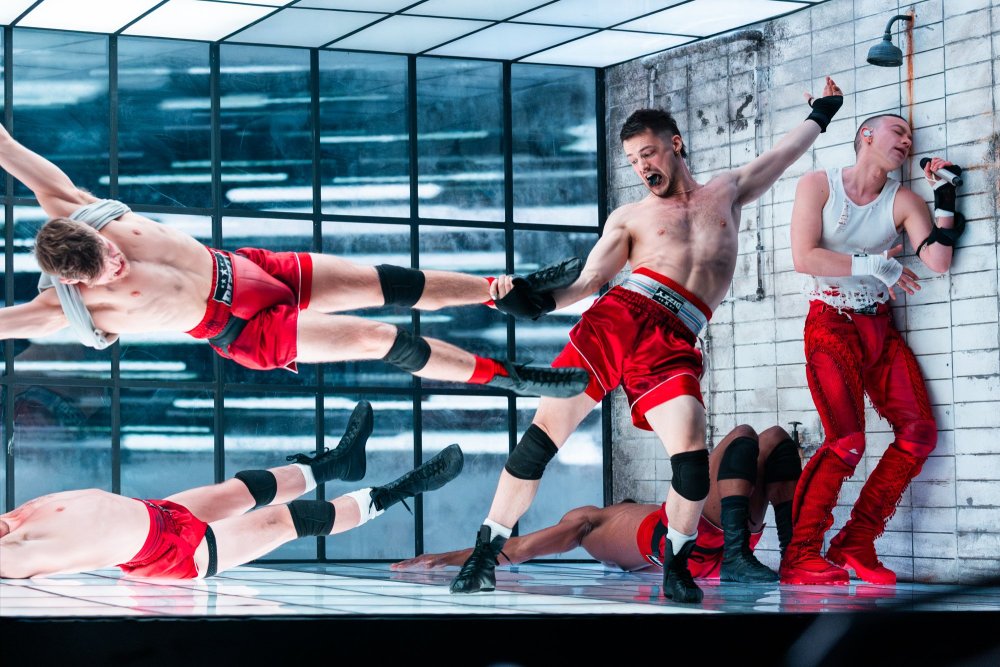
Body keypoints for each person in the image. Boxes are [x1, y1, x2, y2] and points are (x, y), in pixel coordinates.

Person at [449, 76, 846, 603]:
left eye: (648, 154)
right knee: (542, 438)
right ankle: (484, 555)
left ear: (675, 144)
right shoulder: (630, 217)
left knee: (690, 452)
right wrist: (531, 302)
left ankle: (676, 567)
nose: (642, 167)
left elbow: (780, 156)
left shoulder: (726, 191)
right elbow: (588, 282)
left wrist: (822, 114)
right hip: (618, 319)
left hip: (676, 336)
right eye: (633, 161)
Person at [0, 121, 587, 399]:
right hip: (244, 328)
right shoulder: (62, 308)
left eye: (110, 251)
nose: (117, 263)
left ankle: (512, 292)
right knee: (378, 337)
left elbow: (11, 150)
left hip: (247, 267)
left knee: (387, 281)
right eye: (106, 272)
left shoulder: (81, 209)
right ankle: (515, 378)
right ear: (74, 281)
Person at [780, 114, 963, 585]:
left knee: (919, 433)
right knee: (846, 441)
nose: (906, 141)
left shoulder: (904, 200)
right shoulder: (819, 184)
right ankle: (801, 554)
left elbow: (937, 260)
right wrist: (874, 265)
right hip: (830, 320)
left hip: (879, 326)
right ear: (866, 135)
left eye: (910, 137)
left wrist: (945, 196)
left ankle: (856, 541)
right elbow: (804, 256)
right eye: (897, 132)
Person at [0, 401, 464, 579]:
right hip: (173, 555)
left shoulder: (16, 517)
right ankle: (401, 489)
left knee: (243, 488)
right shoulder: (12, 553)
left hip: (156, 515)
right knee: (284, 520)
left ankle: (339, 462)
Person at [394, 425, 801, 583]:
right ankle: (742, 557)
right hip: (686, 543)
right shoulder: (587, 518)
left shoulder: (623, 519)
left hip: (705, 547)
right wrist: (445, 558)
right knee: (744, 436)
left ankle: (794, 555)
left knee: (776, 440)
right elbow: (521, 548)